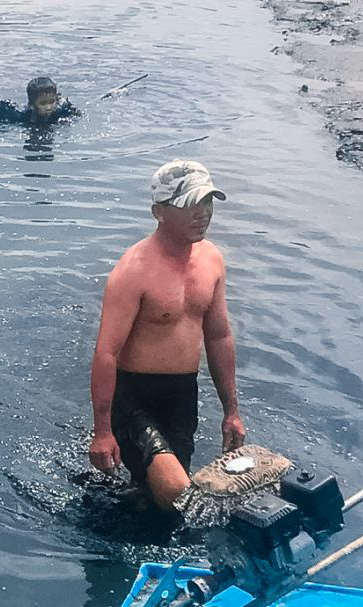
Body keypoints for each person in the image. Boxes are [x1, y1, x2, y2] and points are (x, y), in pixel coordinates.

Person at [87, 158, 245, 512]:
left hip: (181, 398)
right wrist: (102, 431)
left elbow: (219, 337)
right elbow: (106, 353)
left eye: (208, 202)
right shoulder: (133, 271)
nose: (203, 213)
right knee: (178, 493)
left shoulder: (212, 261)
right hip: (133, 399)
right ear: (159, 212)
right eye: (191, 204)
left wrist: (231, 411)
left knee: (161, 508)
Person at [0, 75, 80, 126]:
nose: (48, 107)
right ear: (32, 104)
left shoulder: (60, 110)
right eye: (43, 103)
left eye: (52, 102)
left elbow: (76, 114)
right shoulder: (24, 117)